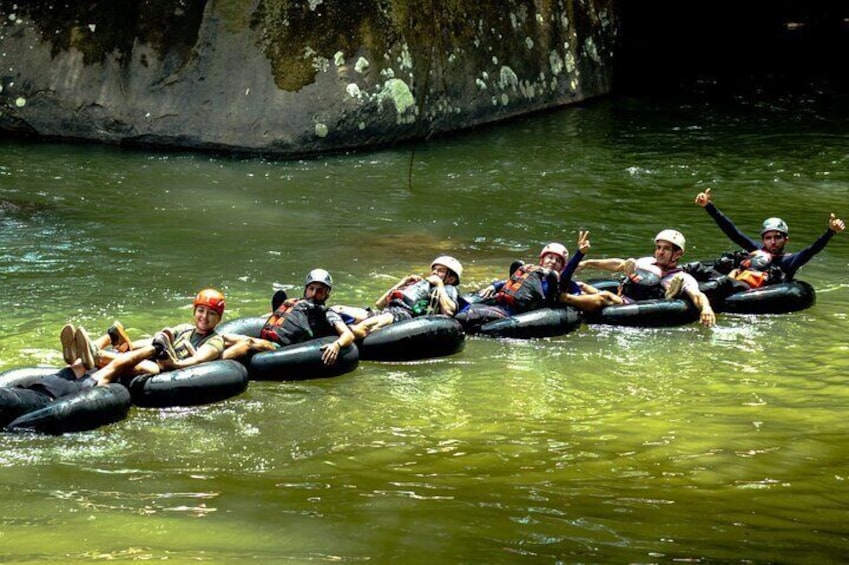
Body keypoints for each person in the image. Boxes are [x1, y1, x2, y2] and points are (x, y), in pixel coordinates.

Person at [692, 187, 845, 287]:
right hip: (735, 278)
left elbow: (812, 250)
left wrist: (830, 232)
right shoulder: (757, 250)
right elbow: (733, 232)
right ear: (763, 239)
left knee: (722, 283)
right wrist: (708, 205)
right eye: (768, 237)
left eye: (777, 237)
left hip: (747, 289)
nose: (772, 241)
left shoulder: (789, 261)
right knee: (705, 267)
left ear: (786, 239)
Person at [578, 229, 716, 327]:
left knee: (604, 296)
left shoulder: (682, 277)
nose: (660, 252)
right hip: (623, 296)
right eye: (658, 247)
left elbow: (697, 295)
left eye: (666, 249)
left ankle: (669, 295)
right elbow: (620, 264)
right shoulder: (646, 262)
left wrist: (706, 308)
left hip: (634, 307)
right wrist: (588, 263)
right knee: (581, 286)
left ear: (678, 253)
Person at [91, 288, 227, 385]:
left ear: (219, 319)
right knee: (159, 339)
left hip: (169, 370)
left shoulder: (215, 340)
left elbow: (198, 359)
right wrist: (133, 346)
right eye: (201, 311)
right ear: (194, 312)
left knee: (150, 367)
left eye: (211, 313)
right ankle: (99, 349)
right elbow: (152, 341)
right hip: (159, 358)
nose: (204, 316)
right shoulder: (184, 329)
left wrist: (175, 364)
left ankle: (96, 354)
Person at [222, 269, 354, 366]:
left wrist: (336, 345)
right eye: (311, 288)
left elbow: (348, 335)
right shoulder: (297, 304)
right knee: (227, 338)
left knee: (248, 343)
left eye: (319, 291)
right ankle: (203, 352)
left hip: (282, 348)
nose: (314, 293)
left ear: (326, 295)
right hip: (269, 339)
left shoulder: (327, 313)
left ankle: (215, 364)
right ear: (306, 289)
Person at [334, 256, 462, 340]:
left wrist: (439, 284)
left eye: (440, 271)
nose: (434, 273)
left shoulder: (448, 289)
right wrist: (402, 282)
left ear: (451, 278)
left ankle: (341, 341)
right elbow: (380, 304)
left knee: (363, 327)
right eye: (434, 269)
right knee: (337, 309)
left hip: (402, 315)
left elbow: (449, 312)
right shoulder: (420, 285)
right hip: (387, 311)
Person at [455, 243, 569, 329]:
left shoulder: (557, 282)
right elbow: (512, 282)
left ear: (562, 267)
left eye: (558, 261)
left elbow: (568, 272)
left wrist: (580, 253)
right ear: (542, 260)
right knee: (466, 307)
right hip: (502, 303)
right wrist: (494, 286)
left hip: (515, 313)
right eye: (550, 257)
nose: (553, 262)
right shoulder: (531, 273)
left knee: (465, 316)